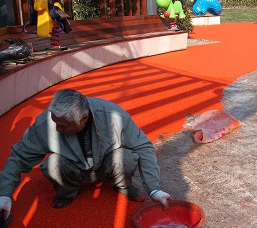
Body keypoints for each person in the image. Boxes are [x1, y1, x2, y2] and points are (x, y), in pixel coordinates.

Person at [0, 89, 171, 219]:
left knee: (126, 158)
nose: (57, 129)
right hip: (74, 167)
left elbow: (144, 147)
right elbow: (20, 156)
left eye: (63, 125)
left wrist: (154, 189)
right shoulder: (46, 123)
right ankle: (68, 192)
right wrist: (4, 194)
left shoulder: (113, 115)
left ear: (83, 119)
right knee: (51, 165)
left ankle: (122, 185)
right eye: (55, 122)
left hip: (105, 163)